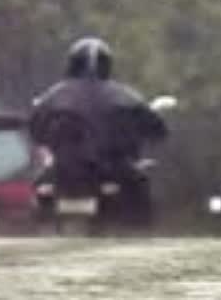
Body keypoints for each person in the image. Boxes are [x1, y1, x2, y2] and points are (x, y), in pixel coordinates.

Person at [29, 36, 167, 227]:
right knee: (140, 185)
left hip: (65, 169)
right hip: (112, 167)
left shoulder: (55, 95)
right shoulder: (123, 95)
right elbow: (156, 127)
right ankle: (139, 234)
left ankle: (39, 225)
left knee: (39, 184)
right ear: (107, 65)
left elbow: (35, 127)